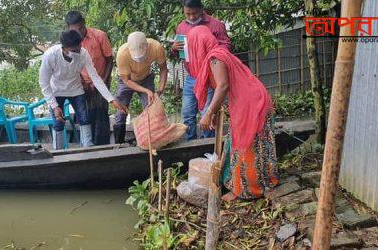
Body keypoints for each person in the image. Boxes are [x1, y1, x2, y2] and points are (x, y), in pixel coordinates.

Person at [187, 26, 279, 201]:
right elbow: (225, 86)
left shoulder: (215, 58)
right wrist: (214, 113)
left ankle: (246, 190)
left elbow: (223, 86)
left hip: (250, 103)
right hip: (254, 98)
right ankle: (262, 181)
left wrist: (208, 113)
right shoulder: (219, 53)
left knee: (245, 145)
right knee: (252, 143)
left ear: (198, 44)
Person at [39, 30, 127, 149]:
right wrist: (54, 106)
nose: (79, 51)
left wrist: (111, 100)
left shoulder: (83, 53)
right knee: (58, 123)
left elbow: (95, 78)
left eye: (80, 47)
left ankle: (88, 148)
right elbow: (44, 83)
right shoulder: (50, 55)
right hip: (56, 91)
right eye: (75, 50)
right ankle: (57, 151)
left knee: (85, 119)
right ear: (64, 48)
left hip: (76, 90)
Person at [171, 0, 231, 141]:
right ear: (183, 11)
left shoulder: (215, 25)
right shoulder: (181, 27)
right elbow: (178, 52)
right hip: (191, 76)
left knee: (207, 113)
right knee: (187, 113)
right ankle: (190, 143)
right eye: (187, 14)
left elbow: (225, 49)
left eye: (194, 13)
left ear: (201, 9)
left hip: (209, 77)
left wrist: (209, 50)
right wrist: (173, 48)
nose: (191, 17)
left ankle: (207, 144)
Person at [65, 11, 114, 145]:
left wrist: (103, 80)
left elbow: (110, 59)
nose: (79, 32)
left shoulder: (100, 36)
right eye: (75, 30)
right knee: (86, 114)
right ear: (69, 29)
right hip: (82, 82)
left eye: (81, 27)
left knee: (101, 113)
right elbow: (72, 65)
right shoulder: (70, 41)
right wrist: (82, 81)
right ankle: (87, 145)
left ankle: (103, 146)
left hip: (101, 79)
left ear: (84, 23)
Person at [113, 31, 168, 143]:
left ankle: (151, 140)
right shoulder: (122, 54)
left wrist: (161, 88)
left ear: (147, 47)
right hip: (126, 81)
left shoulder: (157, 47)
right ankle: (119, 143)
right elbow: (126, 80)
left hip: (146, 78)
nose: (138, 59)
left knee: (150, 107)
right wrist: (146, 91)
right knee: (121, 109)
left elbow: (163, 68)